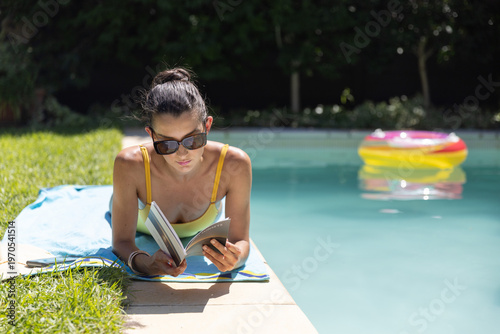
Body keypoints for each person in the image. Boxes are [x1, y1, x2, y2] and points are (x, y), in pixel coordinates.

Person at [111, 67, 251, 276]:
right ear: (152, 136)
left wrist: (235, 257)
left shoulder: (233, 165)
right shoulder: (131, 165)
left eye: (193, 140)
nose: (182, 154)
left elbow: (241, 240)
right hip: (132, 210)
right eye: (167, 144)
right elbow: (121, 242)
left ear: (207, 127)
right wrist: (145, 264)